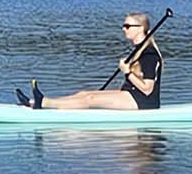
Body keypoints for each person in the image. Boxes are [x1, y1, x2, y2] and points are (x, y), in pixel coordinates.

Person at [19, 13, 163, 110]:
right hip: (131, 95)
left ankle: (43, 103)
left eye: (127, 26)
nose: (123, 29)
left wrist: (127, 72)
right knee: (84, 94)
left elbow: (147, 89)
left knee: (90, 98)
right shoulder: (138, 50)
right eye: (124, 26)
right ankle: (37, 102)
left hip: (143, 102)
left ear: (141, 29)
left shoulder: (149, 54)